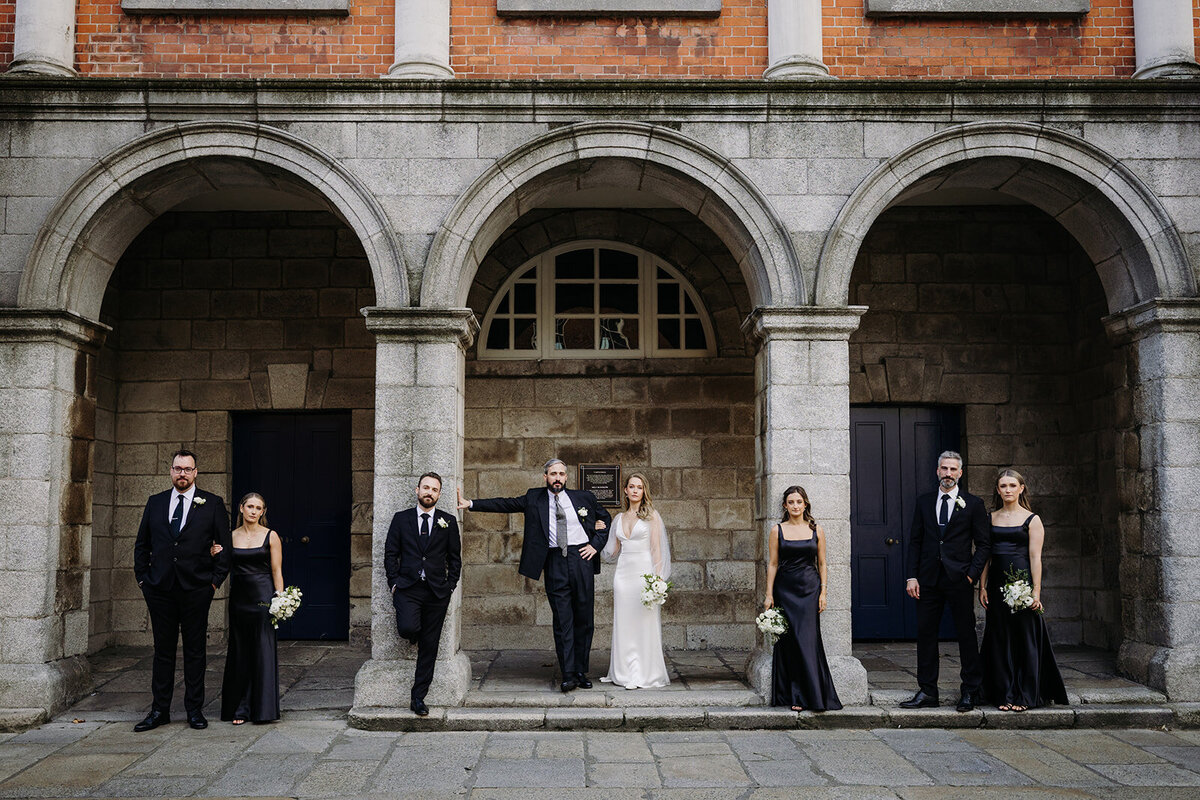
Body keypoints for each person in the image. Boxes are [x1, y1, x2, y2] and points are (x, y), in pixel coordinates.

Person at [458, 459, 611, 692]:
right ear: (545, 477)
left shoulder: (584, 498)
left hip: (582, 559)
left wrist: (595, 545)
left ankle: (581, 671)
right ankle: (568, 673)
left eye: (561, 473)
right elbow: (505, 504)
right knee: (562, 620)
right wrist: (470, 503)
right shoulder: (534, 497)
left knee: (584, 618)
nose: (557, 478)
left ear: (566, 477)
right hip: (554, 561)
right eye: (553, 474)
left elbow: (605, 519)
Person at [133, 449, 231, 732]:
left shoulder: (212, 504)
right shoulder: (155, 502)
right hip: (160, 589)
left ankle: (194, 709)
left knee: (195, 651)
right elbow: (142, 545)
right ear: (171, 471)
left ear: (196, 472)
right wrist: (143, 580)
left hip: (196, 590)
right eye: (178, 469)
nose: (182, 474)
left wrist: (213, 583)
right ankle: (159, 710)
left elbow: (224, 549)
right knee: (162, 651)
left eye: (188, 469)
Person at [900, 450, 991, 712]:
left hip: (959, 579)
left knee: (966, 634)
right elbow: (915, 540)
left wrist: (971, 574)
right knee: (926, 634)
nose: (948, 473)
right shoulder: (924, 501)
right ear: (937, 471)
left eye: (953, 469)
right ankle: (928, 691)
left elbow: (984, 545)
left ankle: (970, 691)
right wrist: (912, 575)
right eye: (944, 469)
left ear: (960, 473)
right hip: (927, 580)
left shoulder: (973, 504)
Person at [979, 469, 1068, 711]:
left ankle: (1026, 695)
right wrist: (982, 587)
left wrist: (1036, 592)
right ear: (997, 490)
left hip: (1022, 584)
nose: (1007, 490)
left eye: (1012, 485)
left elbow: (1035, 558)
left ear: (1021, 488)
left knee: (1024, 638)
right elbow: (985, 556)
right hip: (997, 585)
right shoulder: (990, 518)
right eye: (1003, 486)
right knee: (999, 638)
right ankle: (1004, 694)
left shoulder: (1032, 519)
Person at [384, 472, 462, 717]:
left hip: (437, 592)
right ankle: (413, 633)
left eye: (435, 489)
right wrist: (394, 583)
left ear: (439, 494)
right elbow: (390, 553)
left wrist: (450, 586)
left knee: (430, 645)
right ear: (417, 490)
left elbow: (455, 559)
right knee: (407, 628)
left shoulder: (448, 521)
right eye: (426, 487)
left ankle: (418, 697)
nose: (429, 492)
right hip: (408, 588)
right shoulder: (401, 519)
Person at [764, 486, 842, 712]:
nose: (795, 506)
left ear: (805, 504)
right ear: (785, 506)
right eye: (791, 502)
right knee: (791, 643)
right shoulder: (776, 530)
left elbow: (823, 563)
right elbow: (773, 563)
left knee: (807, 641)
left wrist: (823, 592)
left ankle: (815, 694)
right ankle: (796, 695)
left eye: (799, 501)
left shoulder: (816, 530)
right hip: (785, 591)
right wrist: (769, 594)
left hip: (809, 590)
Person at [210, 492, 283, 725]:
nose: (253, 511)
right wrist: (213, 555)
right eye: (249, 506)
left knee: (262, 652)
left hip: (263, 600)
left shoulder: (271, 536)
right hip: (239, 600)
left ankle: (262, 709)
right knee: (240, 653)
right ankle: (240, 708)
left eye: (258, 508)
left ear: (263, 512)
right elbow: (222, 567)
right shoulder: (230, 537)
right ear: (241, 508)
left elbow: (276, 572)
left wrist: (280, 600)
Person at [600, 472, 670, 690]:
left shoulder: (652, 516)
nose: (635, 490)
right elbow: (611, 551)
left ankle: (644, 673)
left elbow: (657, 550)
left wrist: (657, 581)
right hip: (623, 576)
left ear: (644, 491)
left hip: (644, 574)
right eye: (631, 486)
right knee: (624, 623)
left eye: (639, 487)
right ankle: (622, 672)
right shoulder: (618, 519)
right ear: (625, 490)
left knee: (643, 623)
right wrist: (597, 531)